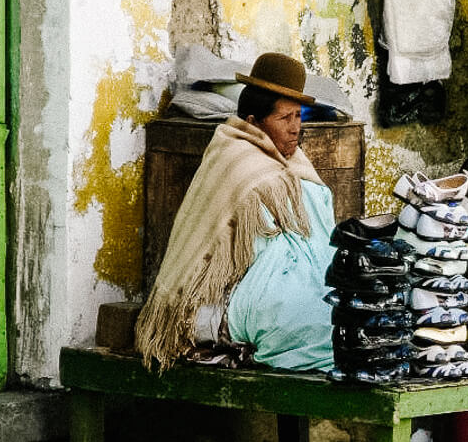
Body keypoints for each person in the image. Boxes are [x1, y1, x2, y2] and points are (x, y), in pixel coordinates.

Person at [135, 52, 336, 372]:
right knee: (306, 321)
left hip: (278, 287)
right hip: (226, 298)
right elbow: (248, 254)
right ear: (254, 122)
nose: (296, 128)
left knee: (342, 313)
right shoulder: (234, 157)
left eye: (299, 116)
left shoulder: (293, 162)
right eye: (285, 118)